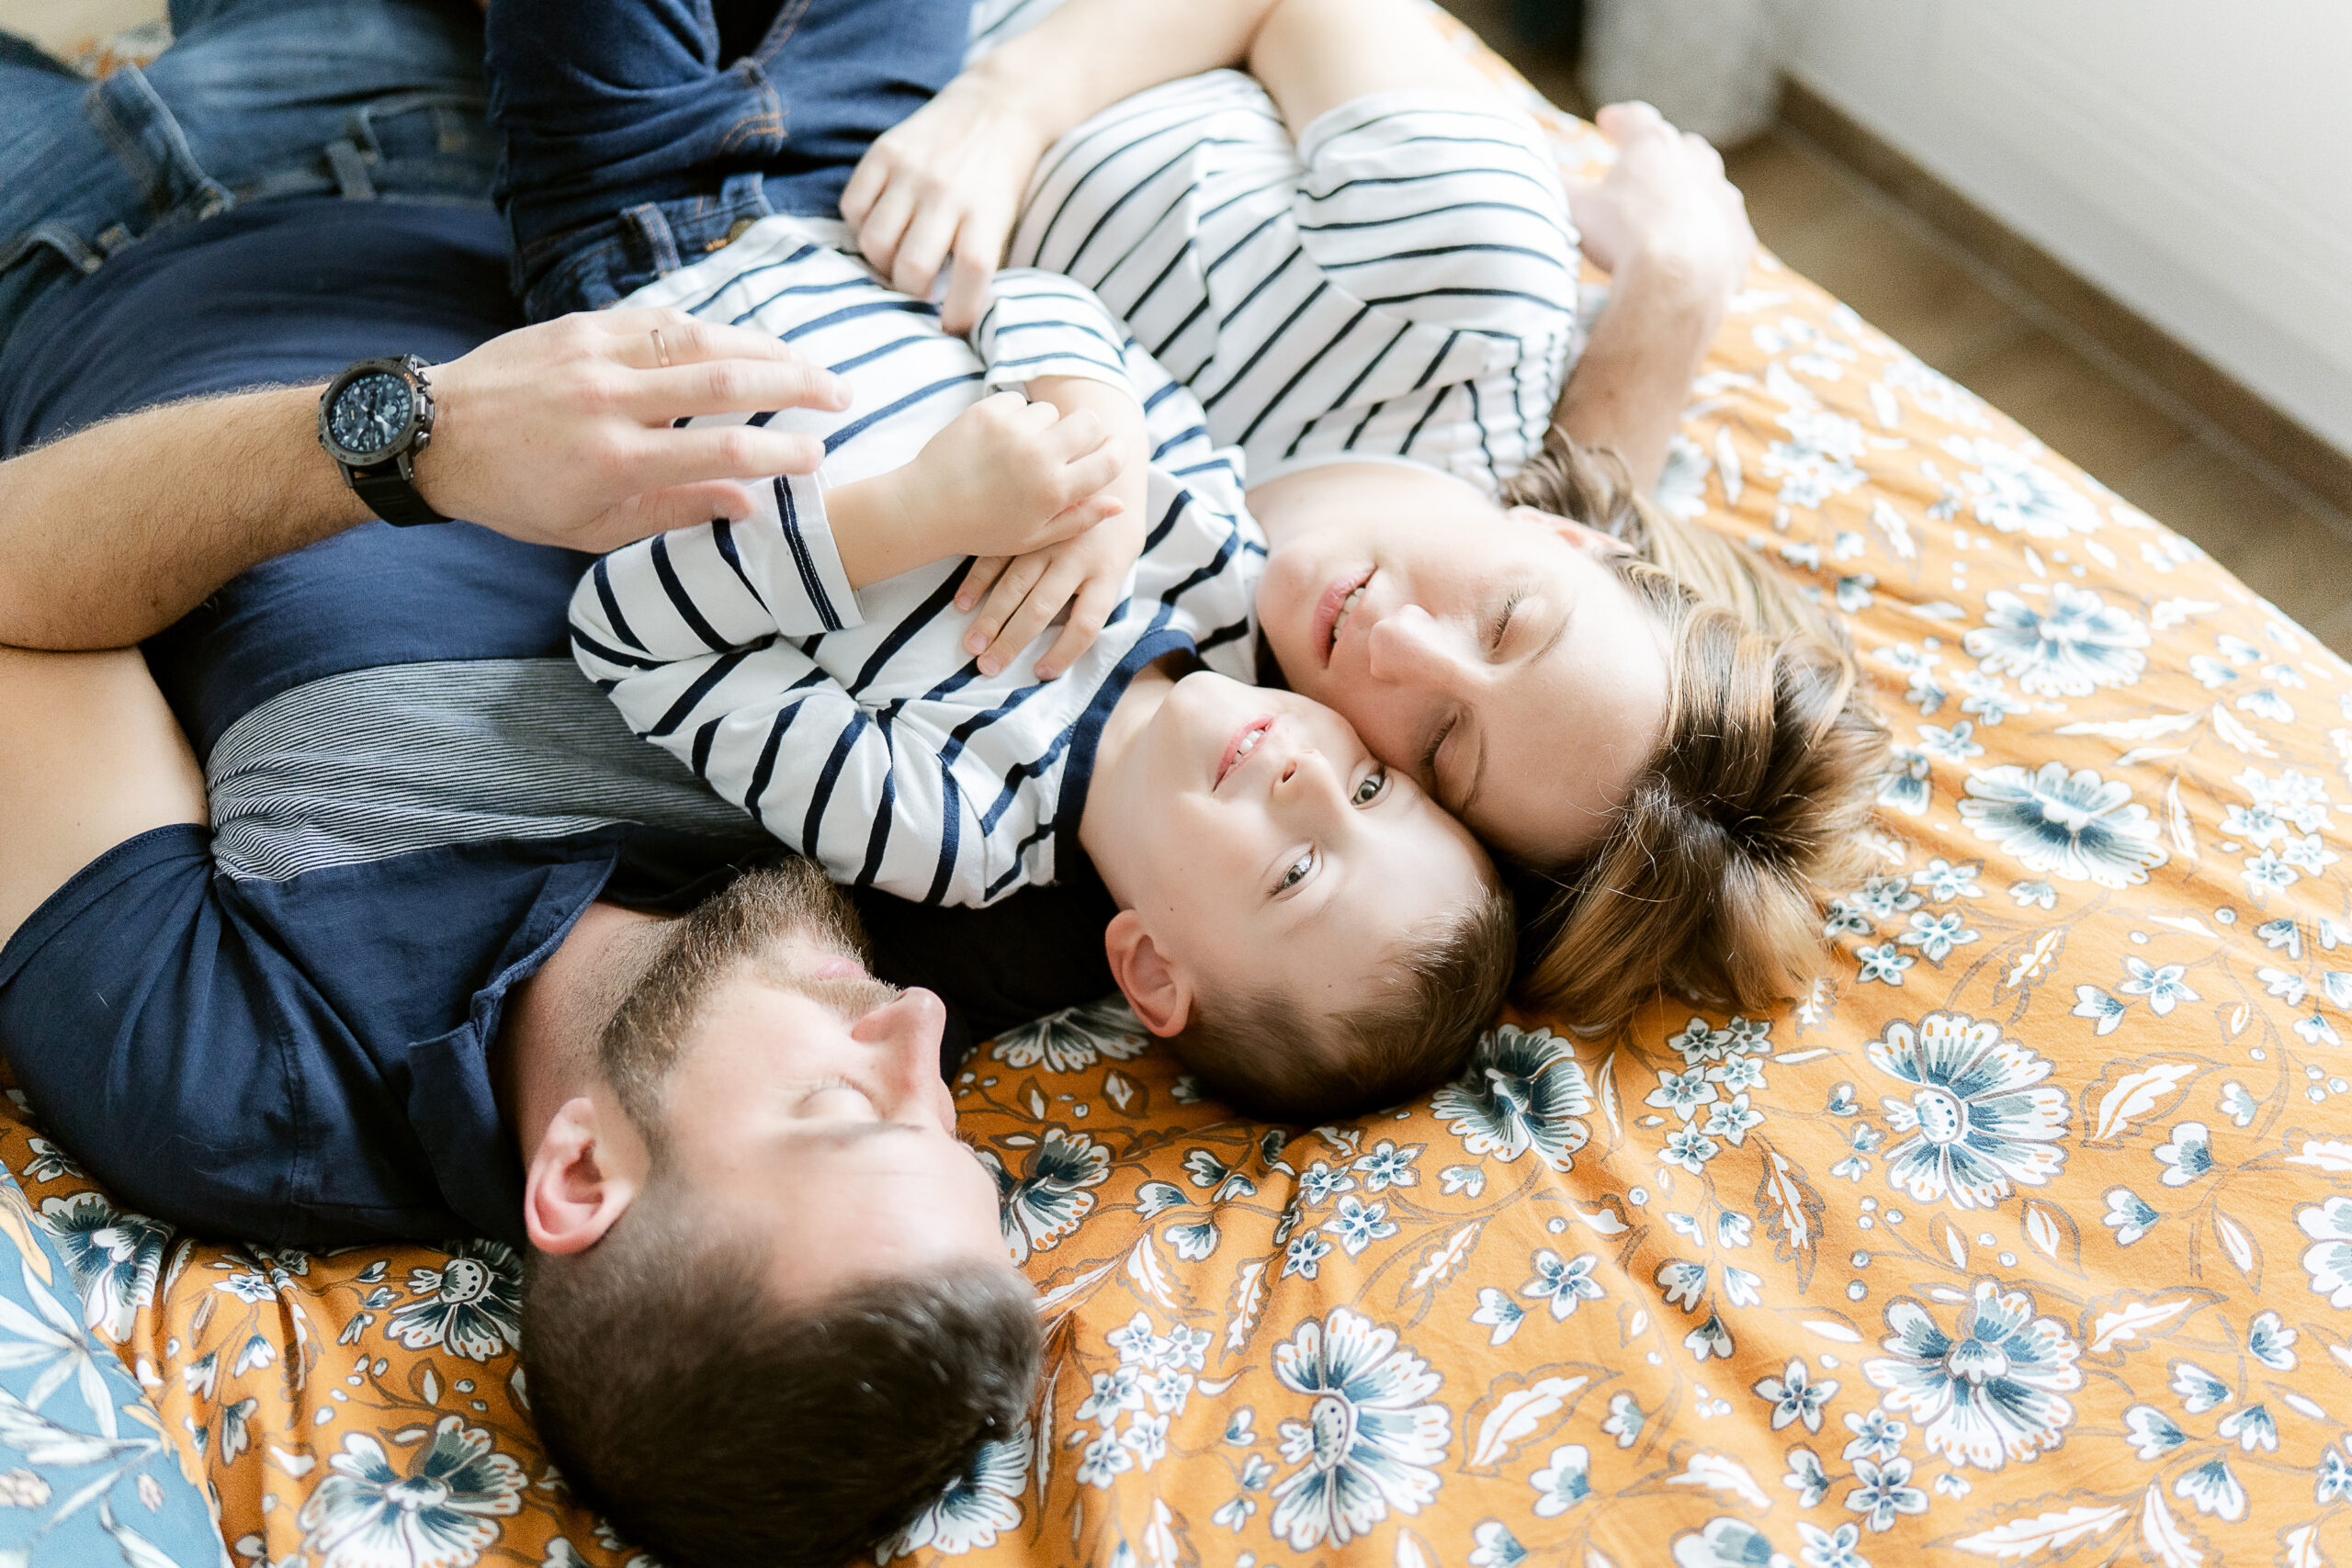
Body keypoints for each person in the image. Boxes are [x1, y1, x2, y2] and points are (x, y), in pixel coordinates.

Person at [0, 2, 1048, 1563]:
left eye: (845, 1106)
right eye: (952, 1126)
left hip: (59, 257)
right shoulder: (936, 871)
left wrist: (411, 444)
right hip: (449, 112)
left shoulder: (246, 1077)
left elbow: (11, 605)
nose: (921, 1030)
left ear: (579, 1173)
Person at [496, 0, 1515, 1123]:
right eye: (1374, 787)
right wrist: (1093, 407)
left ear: (1152, 972)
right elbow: (1037, 295)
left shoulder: (949, 823)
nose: (1311, 781)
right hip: (852, 175)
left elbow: (632, 630)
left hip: (629, 260)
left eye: (1297, 872)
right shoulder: (1221, 573)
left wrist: (917, 514)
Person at [848, 0, 1893, 1032]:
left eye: (1437, 748)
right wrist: (1013, 99)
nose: (1392, 642)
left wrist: (1669, 297)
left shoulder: (1209, 735)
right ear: (1567, 538)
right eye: (1506, 621)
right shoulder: (1463, 284)